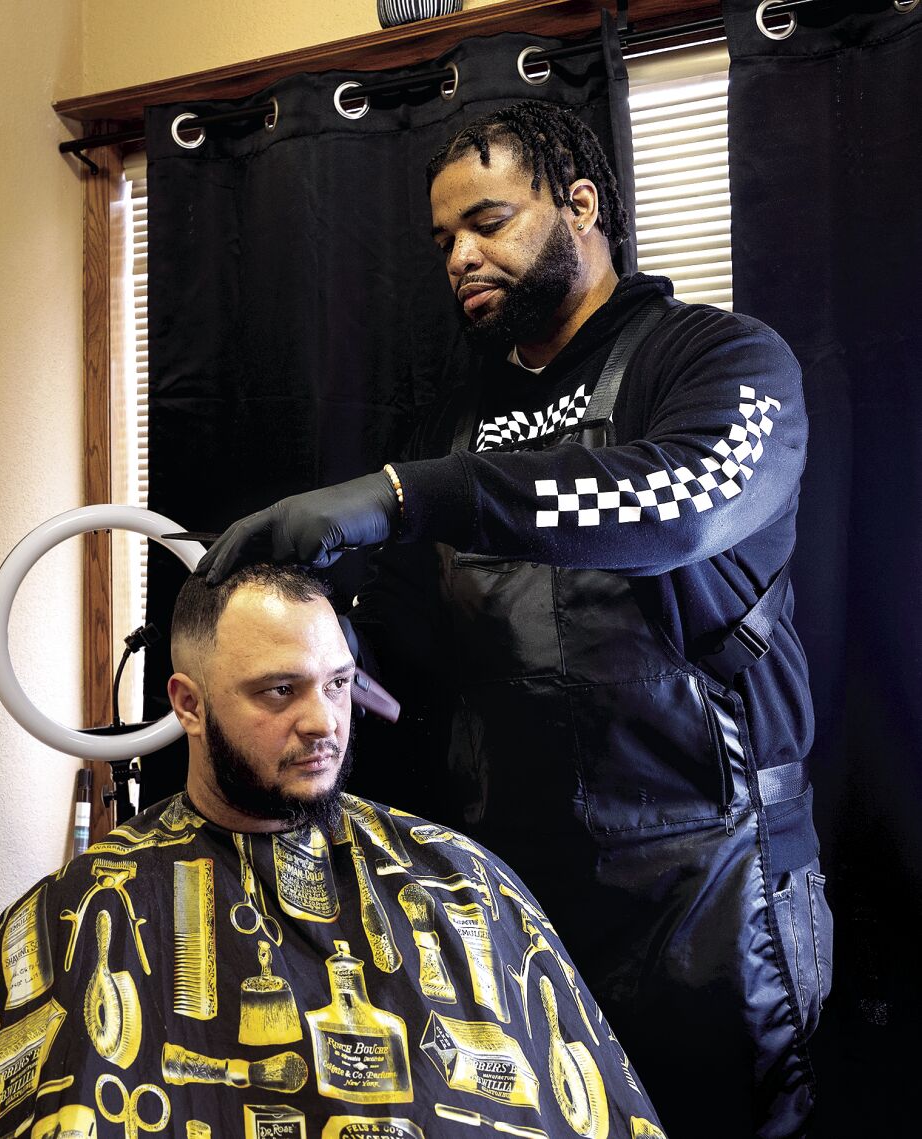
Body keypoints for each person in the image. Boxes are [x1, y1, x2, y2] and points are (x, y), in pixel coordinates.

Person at [198, 101, 824, 1137]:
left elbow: (674, 502)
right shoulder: (457, 412)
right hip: (508, 882)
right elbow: (410, 605)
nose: (460, 255)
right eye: (443, 237)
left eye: (486, 221)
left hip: (708, 885)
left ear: (578, 204)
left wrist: (404, 493)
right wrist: (336, 646)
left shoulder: (719, 361)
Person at [0, 564, 664, 1139]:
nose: (323, 722)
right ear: (189, 704)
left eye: (338, 684)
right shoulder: (79, 912)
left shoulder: (457, 880)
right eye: (279, 691)